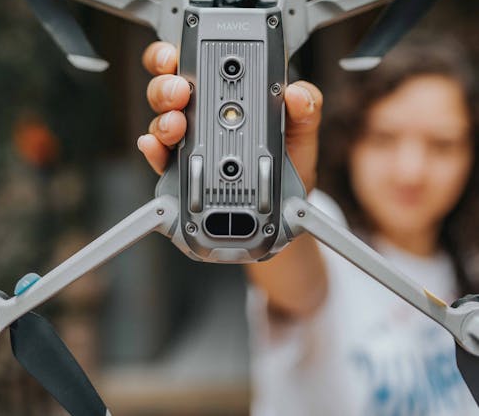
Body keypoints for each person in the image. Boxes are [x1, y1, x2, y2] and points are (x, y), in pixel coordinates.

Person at [137, 36, 479, 416]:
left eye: (443, 145)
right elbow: (291, 267)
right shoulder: (321, 227)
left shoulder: (470, 259)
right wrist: (275, 194)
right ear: (351, 141)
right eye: (384, 139)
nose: (411, 170)